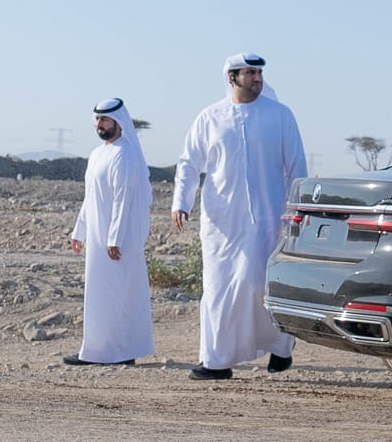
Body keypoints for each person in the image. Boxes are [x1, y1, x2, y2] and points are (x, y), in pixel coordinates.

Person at [172, 53, 308, 380]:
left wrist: (298, 210)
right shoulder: (210, 117)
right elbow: (190, 163)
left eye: (259, 72)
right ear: (232, 78)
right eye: (250, 73)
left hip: (271, 218)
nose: (258, 78)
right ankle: (216, 361)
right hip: (221, 222)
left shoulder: (280, 116)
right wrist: (182, 201)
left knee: (261, 285)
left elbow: (297, 167)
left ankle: (281, 347)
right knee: (218, 288)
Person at [64, 99, 155, 366]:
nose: (100, 125)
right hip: (97, 237)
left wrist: (114, 239)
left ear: (118, 122)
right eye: (97, 120)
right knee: (100, 295)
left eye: (104, 120)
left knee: (119, 295)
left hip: (117, 240)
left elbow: (123, 199)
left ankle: (118, 353)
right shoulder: (97, 154)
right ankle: (99, 350)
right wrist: (79, 231)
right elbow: (91, 198)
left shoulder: (123, 154)